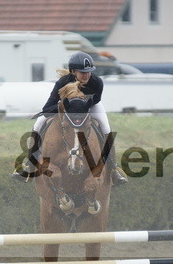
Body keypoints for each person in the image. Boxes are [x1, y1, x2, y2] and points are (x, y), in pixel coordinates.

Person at [12, 52, 127, 185]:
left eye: (89, 72)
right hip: (66, 108)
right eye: (82, 72)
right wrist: (64, 107)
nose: (87, 75)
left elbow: (95, 101)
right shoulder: (62, 82)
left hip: (89, 107)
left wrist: (81, 105)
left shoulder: (97, 82)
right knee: (38, 124)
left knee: (106, 127)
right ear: (73, 71)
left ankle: (113, 169)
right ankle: (29, 165)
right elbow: (48, 106)